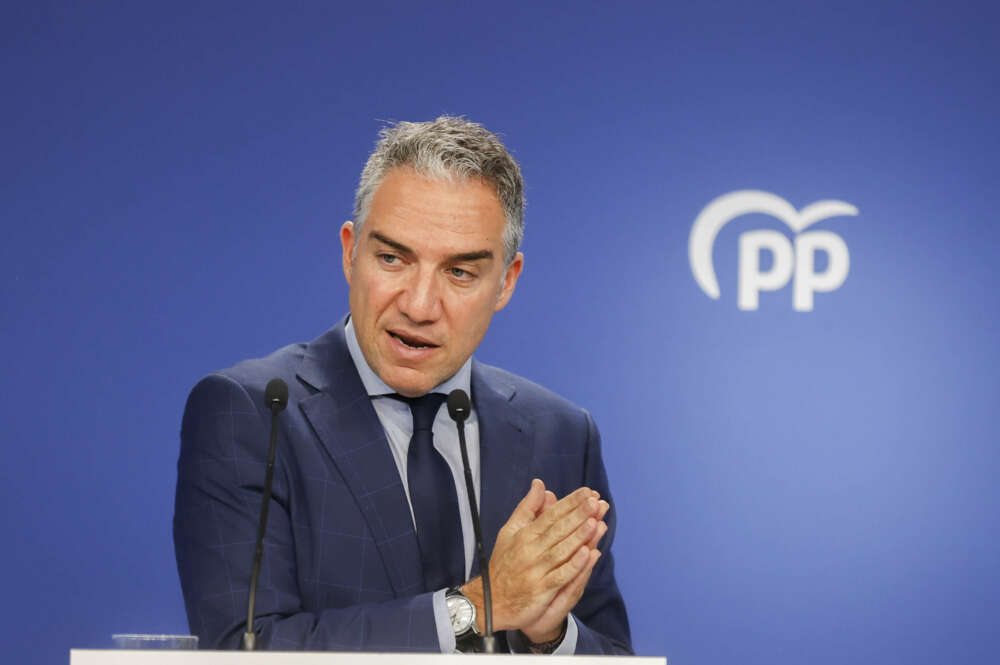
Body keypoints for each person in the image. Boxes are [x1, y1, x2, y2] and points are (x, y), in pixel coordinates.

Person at [173, 116, 632, 654]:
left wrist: (548, 634)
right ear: (350, 252)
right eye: (392, 258)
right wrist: (480, 608)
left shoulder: (560, 433)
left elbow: (613, 656)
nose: (418, 305)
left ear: (506, 282)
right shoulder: (254, 415)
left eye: (460, 273)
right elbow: (241, 648)